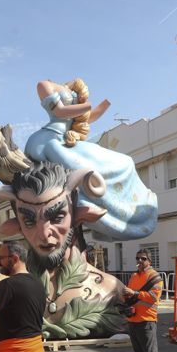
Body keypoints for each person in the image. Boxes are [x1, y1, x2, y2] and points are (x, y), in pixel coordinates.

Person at [23, 79, 157, 241]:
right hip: (50, 140)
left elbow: (85, 118)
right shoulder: (44, 85)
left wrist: (104, 104)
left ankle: (125, 211)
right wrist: (86, 107)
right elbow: (60, 111)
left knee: (125, 161)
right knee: (80, 168)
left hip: (67, 141)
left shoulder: (68, 88)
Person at [122, 249, 164, 352]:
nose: (140, 261)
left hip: (147, 320)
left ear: (149, 261)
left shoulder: (155, 278)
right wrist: (126, 296)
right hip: (133, 320)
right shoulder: (134, 276)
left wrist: (133, 293)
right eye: (138, 258)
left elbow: (153, 297)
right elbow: (131, 294)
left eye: (143, 258)